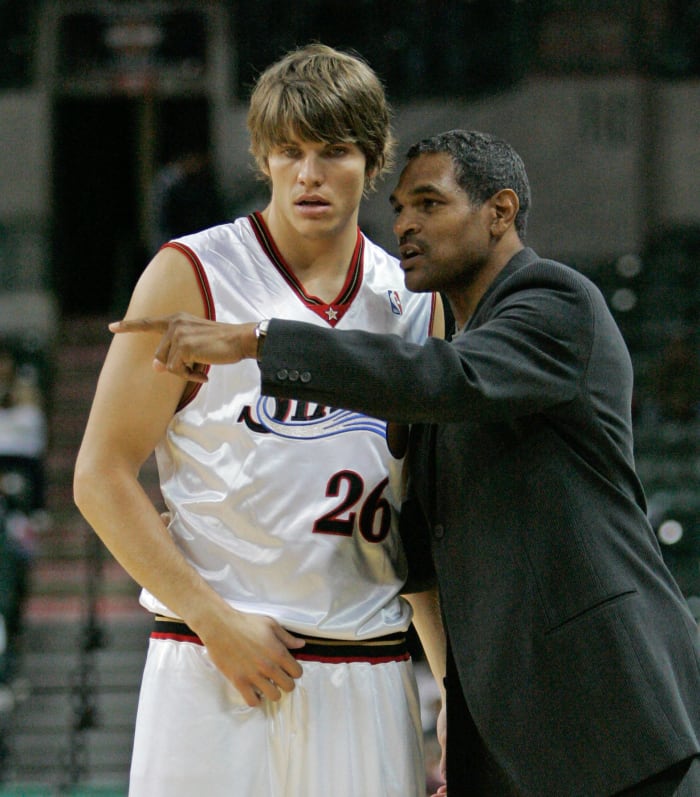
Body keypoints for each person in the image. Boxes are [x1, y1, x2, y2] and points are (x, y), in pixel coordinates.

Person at [114, 129, 700, 797]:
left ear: (499, 211)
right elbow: (408, 534)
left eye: (429, 204)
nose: (406, 226)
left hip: (607, 714)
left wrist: (258, 340)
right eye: (399, 209)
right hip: (510, 729)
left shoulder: (554, 302)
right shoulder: (456, 349)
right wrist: (232, 520)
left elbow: (449, 376)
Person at [74, 44, 446, 797]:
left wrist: (454, 695)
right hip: (213, 660)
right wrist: (212, 618)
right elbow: (100, 475)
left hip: (369, 665)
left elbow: (426, 519)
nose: (308, 174)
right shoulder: (194, 272)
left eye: (334, 151)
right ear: (262, 158)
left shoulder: (413, 301)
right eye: (289, 151)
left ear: (373, 159)